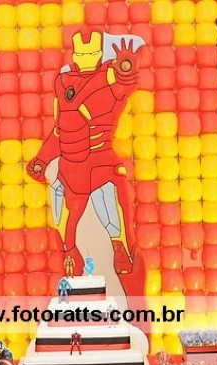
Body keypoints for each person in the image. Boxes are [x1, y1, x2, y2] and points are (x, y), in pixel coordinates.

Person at [27, 29, 143, 275]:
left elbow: (125, 82)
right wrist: (43, 159)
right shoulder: (64, 83)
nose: (85, 58)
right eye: (81, 54)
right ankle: (70, 252)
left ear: (99, 54)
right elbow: (61, 130)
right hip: (71, 165)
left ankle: (121, 248)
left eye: (90, 54)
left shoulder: (107, 79)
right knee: (66, 216)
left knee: (112, 200)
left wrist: (125, 66)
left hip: (100, 158)